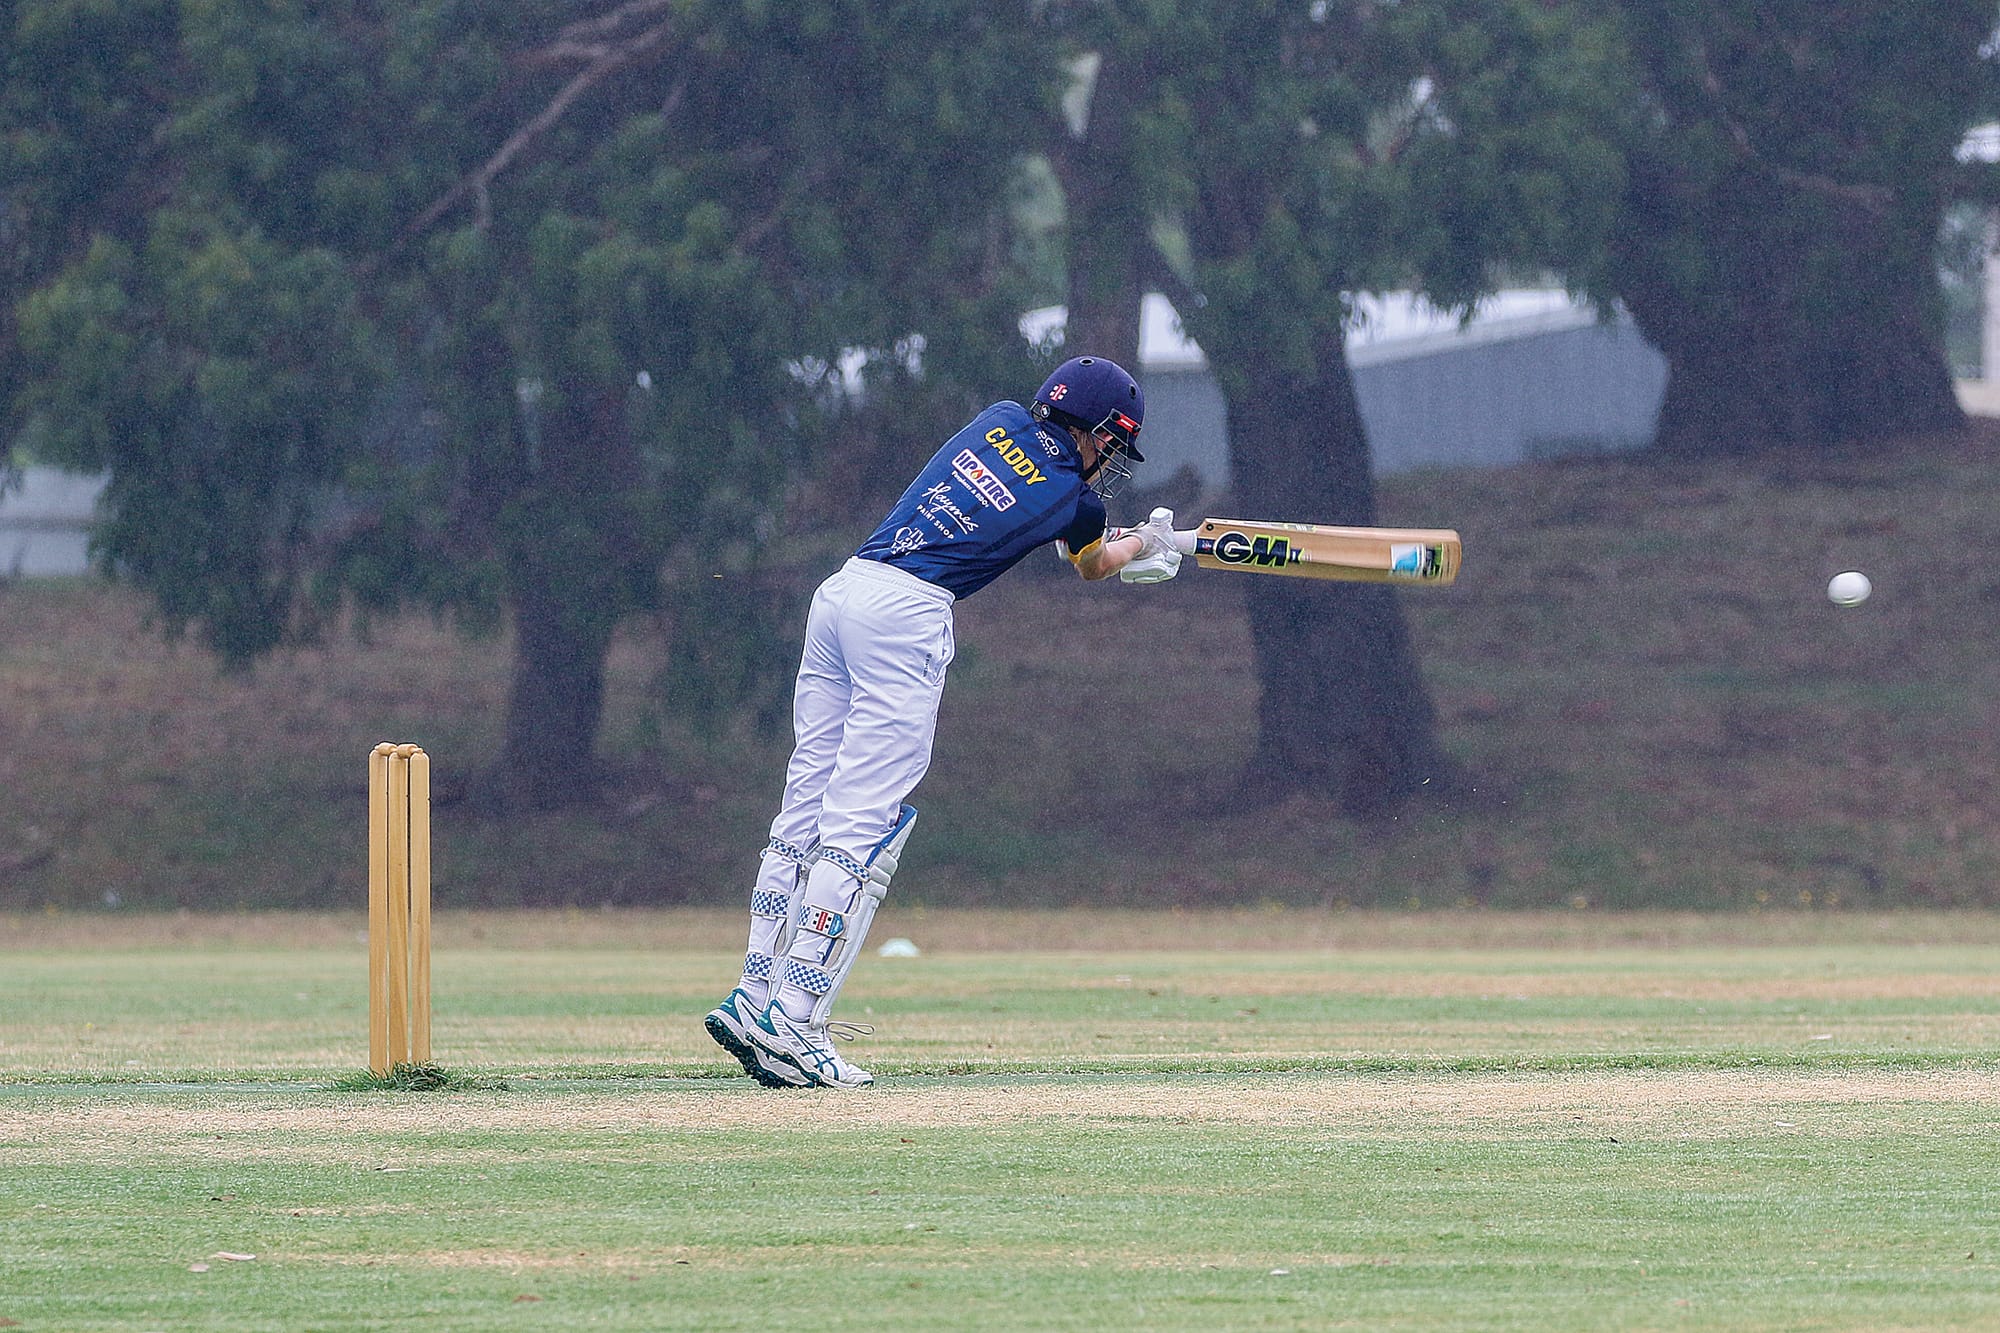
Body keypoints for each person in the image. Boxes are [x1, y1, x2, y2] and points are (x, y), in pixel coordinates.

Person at [703, 355, 1181, 1089]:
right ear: (1096, 432)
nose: (1108, 461)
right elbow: (1089, 562)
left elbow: (1054, 517)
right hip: (907, 616)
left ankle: (754, 996)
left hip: (842, 592)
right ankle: (795, 1021)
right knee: (864, 824)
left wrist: (1132, 544)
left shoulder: (995, 420)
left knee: (803, 808)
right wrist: (1150, 545)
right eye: (1112, 445)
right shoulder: (1074, 499)